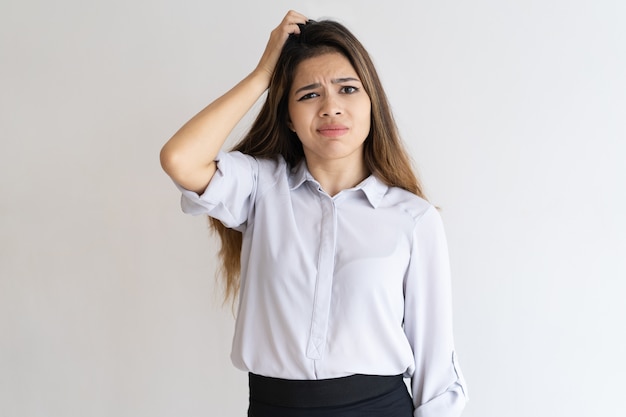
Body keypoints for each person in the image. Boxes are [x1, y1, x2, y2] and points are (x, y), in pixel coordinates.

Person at [160, 10, 468, 417]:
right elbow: (180, 159)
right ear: (288, 115)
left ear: (372, 102)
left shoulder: (413, 219)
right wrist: (262, 74)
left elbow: (438, 373)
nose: (330, 107)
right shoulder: (260, 190)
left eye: (347, 89)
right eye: (309, 94)